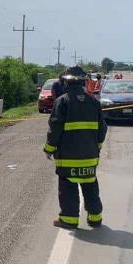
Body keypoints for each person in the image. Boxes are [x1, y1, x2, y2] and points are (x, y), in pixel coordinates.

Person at [44, 65, 108, 229]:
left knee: (68, 189)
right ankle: (95, 218)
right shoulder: (94, 102)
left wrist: (49, 148)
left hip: (68, 158)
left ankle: (69, 219)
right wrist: (97, 147)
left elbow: (55, 128)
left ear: (66, 82)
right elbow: (102, 128)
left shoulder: (62, 101)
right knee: (90, 186)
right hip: (89, 157)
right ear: (83, 82)